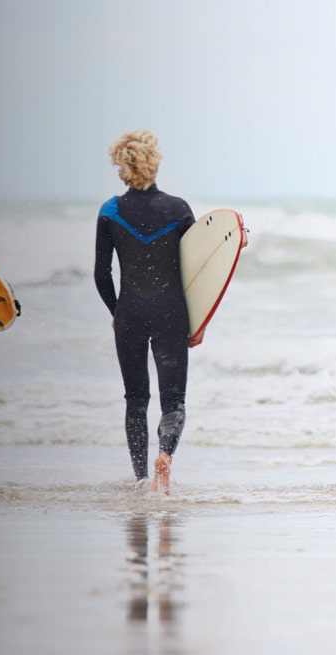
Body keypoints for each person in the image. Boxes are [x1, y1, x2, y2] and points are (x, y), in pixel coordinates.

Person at [95, 129, 197, 494]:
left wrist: (117, 310)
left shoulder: (109, 211)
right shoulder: (179, 209)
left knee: (136, 399)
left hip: (131, 314)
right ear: (155, 162)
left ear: (121, 166)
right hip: (172, 312)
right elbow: (199, 271)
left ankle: (139, 478)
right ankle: (164, 460)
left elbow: (101, 273)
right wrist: (197, 319)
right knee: (174, 399)